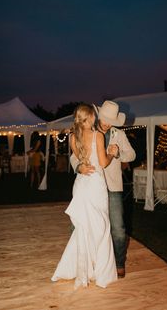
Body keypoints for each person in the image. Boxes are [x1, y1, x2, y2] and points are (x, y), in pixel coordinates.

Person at [51, 103, 119, 289]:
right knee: (101, 228)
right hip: (96, 184)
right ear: (89, 118)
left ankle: (85, 269)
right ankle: (101, 273)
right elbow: (103, 163)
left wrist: (82, 166)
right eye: (94, 117)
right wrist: (111, 154)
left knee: (84, 228)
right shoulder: (98, 135)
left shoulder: (73, 137)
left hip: (81, 185)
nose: (96, 119)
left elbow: (80, 158)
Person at [70, 100, 136, 278]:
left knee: (118, 229)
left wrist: (118, 153)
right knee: (84, 224)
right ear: (98, 116)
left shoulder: (119, 135)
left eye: (110, 121)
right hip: (90, 185)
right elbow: (73, 157)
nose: (106, 123)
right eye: (104, 119)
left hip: (112, 187)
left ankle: (119, 262)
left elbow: (132, 154)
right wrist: (79, 167)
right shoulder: (86, 132)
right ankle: (85, 262)